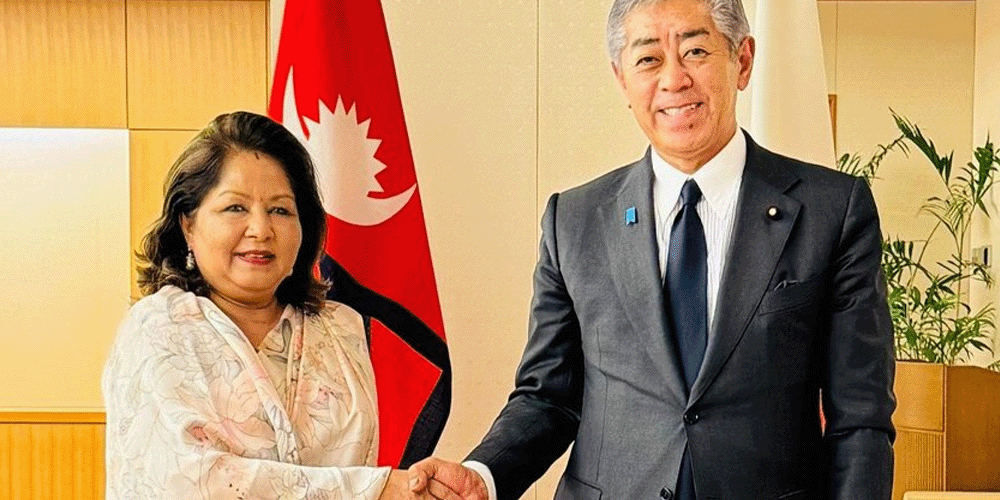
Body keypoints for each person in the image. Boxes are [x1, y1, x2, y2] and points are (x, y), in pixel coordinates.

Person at [409, 0, 896, 499]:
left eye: (696, 51)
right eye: (648, 59)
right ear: (622, 80)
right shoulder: (573, 220)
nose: (674, 80)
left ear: (743, 60)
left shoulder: (831, 211)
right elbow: (548, 397)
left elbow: (861, 417)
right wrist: (485, 475)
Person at [102, 111, 456, 500]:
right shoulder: (157, 329)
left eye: (281, 210)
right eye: (235, 208)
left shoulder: (343, 329)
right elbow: (191, 484)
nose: (261, 229)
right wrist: (377, 490)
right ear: (188, 223)